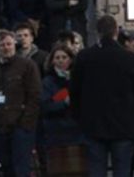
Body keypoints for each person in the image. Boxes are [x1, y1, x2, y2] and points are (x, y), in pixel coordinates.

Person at [71, 15, 134, 177]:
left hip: (93, 125)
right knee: (122, 170)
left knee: (96, 169)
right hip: (124, 125)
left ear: (97, 32)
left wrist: (79, 117)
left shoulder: (85, 57)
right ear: (116, 31)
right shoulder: (130, 59)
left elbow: (75, 90)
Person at [0, 29, 41, 177]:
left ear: (14, 44)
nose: (6, 48)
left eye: (9, 44)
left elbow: (34, 96)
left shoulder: (27, 65)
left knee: (22, 169)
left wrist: (26, 123)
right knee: (6, 168)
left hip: (21, 126)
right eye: (2, 45)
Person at [39, 45, 83, 174]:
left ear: (71, 59)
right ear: (52, 61)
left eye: (64, 57)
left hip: (77, 133)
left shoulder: (78, 80)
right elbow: (45, 106)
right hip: (55, 134)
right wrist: (64, 103)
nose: (61, 60)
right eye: (57, 57)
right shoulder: (47, 82)